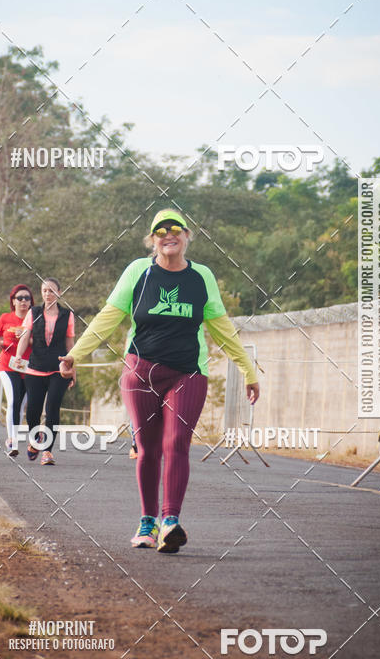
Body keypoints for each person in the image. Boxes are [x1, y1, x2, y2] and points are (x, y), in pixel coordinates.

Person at [59, 209, 260, 554]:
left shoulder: (202, 277)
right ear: (152, 240)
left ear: (187, 236)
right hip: (141, 372)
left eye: (176, 230)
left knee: (176, 443)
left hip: (188, 373)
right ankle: (148, 521)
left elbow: (221, 328)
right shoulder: (140, 272)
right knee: (149, 450)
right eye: (160, 231)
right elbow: (109, 318)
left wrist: (248, 369)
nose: (169, 235)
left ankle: (171, 522)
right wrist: (75, 353)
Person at [15, 278, 75, 467]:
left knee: (52, 409)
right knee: (32, 410)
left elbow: (70, 344)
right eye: (44, 290)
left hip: (59, 369)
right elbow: (25, 337)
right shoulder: (34, 312)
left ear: (59, 292)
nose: (47, 294)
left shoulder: (67, 315)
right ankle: (35, 441)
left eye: (51, 290)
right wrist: (18, 355)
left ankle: (47, 451)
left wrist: (73, 369)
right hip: (35, 368)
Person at [0, 284, 34, 456]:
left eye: (27, 298)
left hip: (28, 367)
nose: (23, 301)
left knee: (21, 405)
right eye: (20, 298)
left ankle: (15, 436)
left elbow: (41, 342)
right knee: (12, 401)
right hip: (7, 365)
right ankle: (12, 441)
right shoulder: (5, 318)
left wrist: (27, 338)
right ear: (13, 301)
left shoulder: (36, 319)